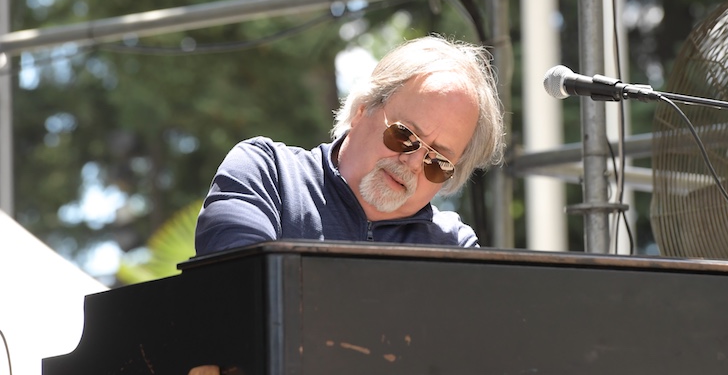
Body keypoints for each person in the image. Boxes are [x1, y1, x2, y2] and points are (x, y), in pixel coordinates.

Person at [194, 35, 505, 254]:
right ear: (362, 109)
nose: (412, 162)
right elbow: (241, 293)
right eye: (406, 135)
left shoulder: (451, 246)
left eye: (437, 162)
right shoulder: (269, 174)